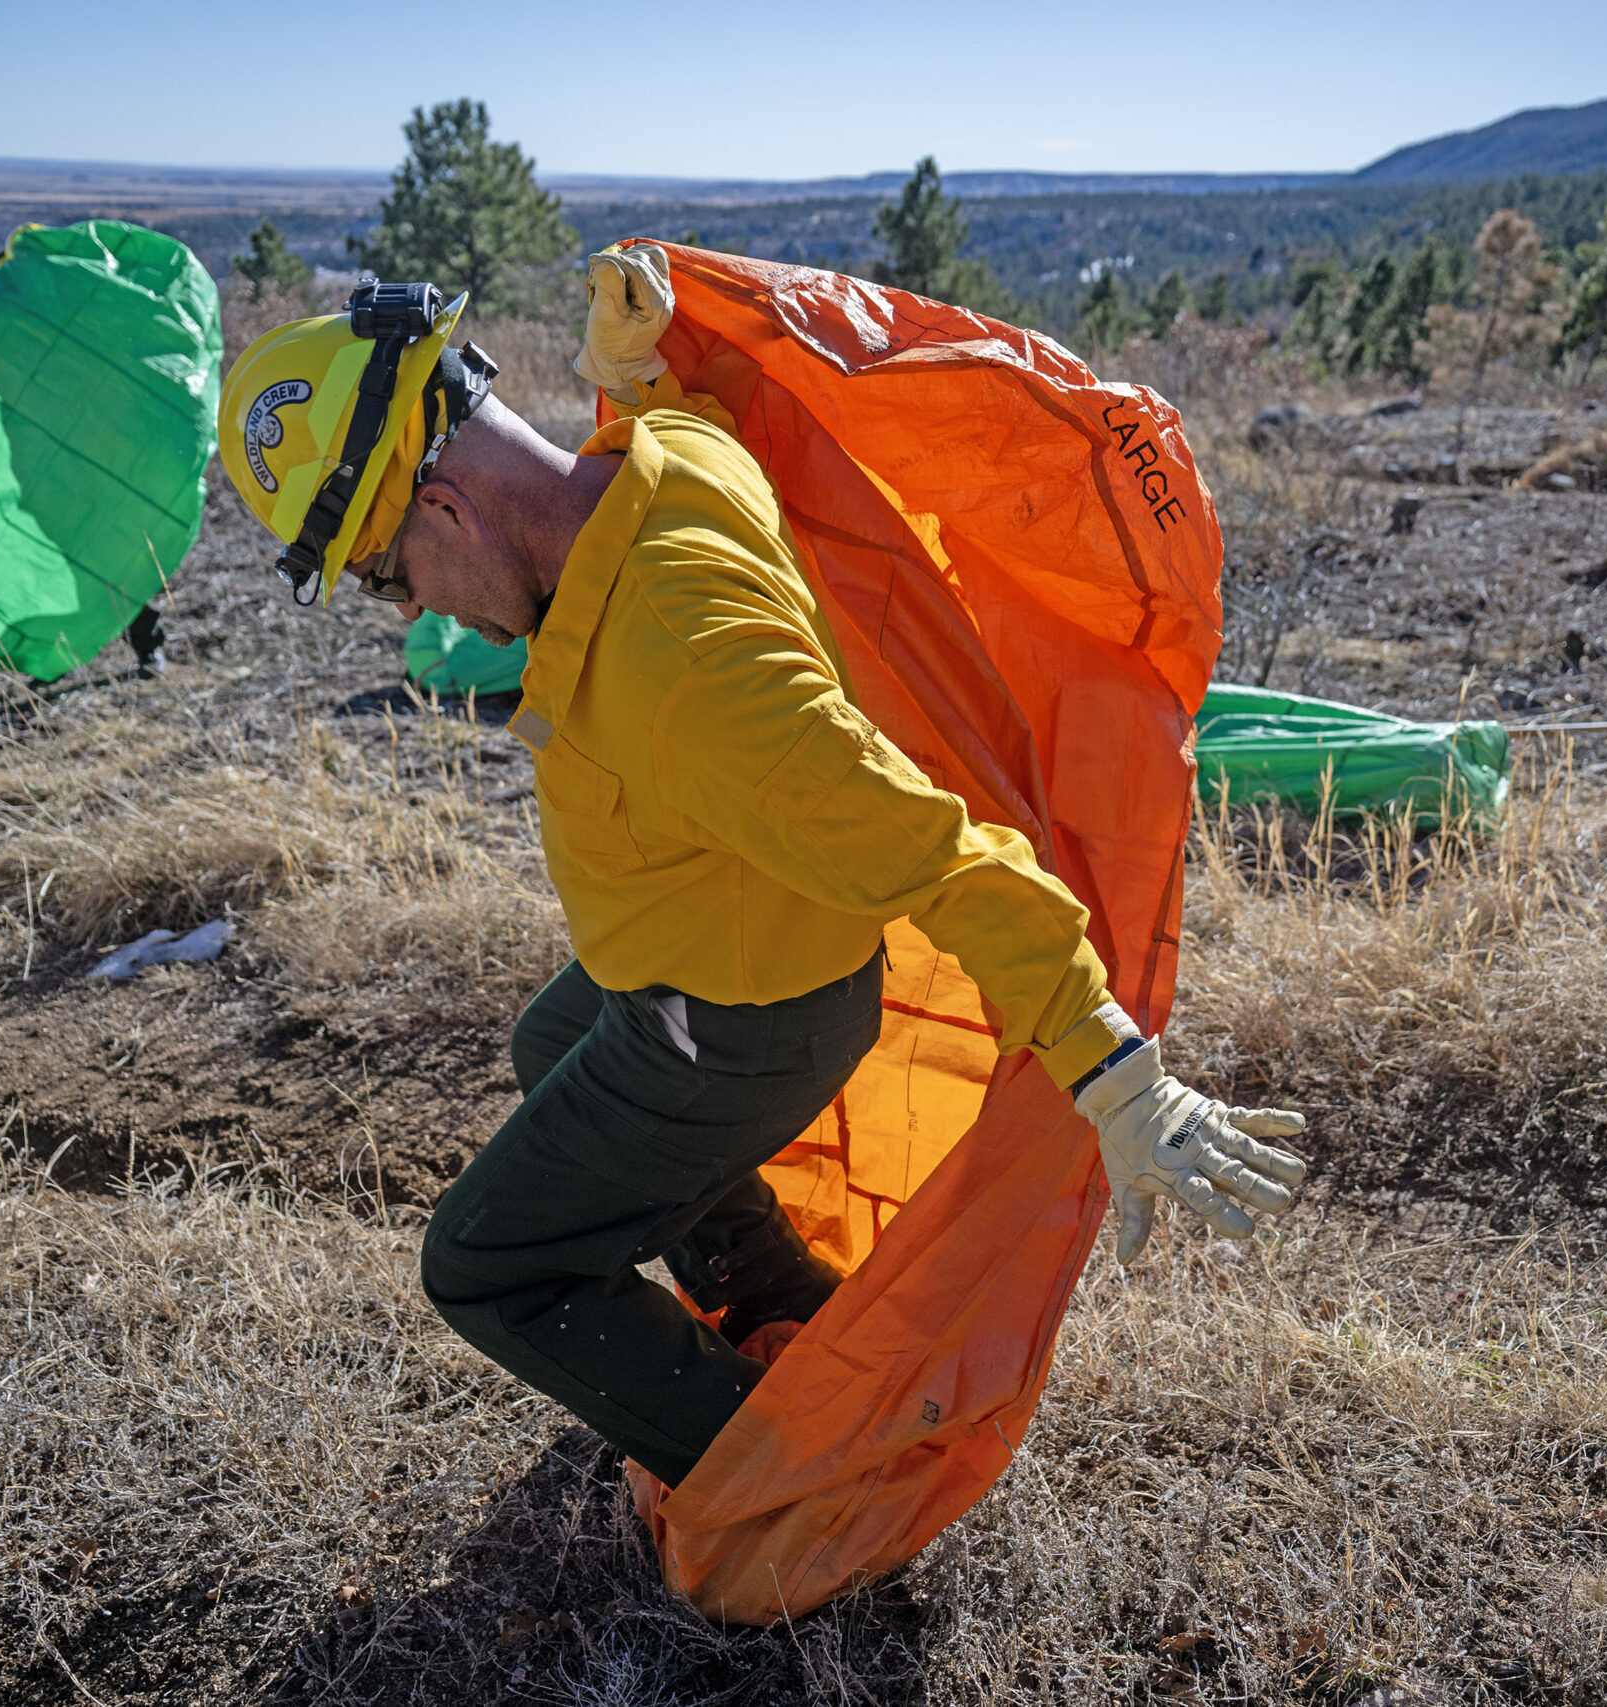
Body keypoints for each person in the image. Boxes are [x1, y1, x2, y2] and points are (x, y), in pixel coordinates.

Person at [216, 254, 1309, 1489]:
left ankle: (789, 1476)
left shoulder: (685, 661)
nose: (418, 613)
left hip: (739, 1024)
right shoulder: (665, 458)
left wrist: (1115, 1077)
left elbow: (932, 847)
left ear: (450, 511)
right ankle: (774, 1294)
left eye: (385, 575)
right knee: (549, 1045)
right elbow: (721, 414)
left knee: (483, 1264)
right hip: (716, 957)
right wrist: (635, 374)